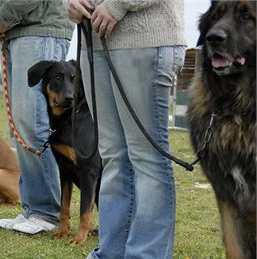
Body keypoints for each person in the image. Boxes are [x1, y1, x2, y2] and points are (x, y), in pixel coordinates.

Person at [65, 0, 186, 257]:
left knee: (147, 158)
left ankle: (146, 254)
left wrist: (119, 4)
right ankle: (110, 253)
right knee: (113, 157)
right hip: (94, 43)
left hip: (145, 39)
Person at [0, 1, 74, 234]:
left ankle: (49, 212)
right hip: (18, 30)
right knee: (21, 125)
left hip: (40, 28)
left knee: (34, 123)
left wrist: (4, 16)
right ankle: (33, 208)